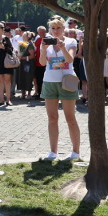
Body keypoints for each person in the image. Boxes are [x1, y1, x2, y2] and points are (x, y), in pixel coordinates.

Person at [39, 16, 81, 161]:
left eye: (59, 28)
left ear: (64, 29)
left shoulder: (71, 41)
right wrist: (44, 50)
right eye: (53, 28)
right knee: (52, 118)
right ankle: (53, 152)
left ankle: (76, 152)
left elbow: (70, 60)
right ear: (49, 29)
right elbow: (42, 61)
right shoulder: (45, 42)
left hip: (67, 81)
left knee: (70, 117)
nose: (56, 31)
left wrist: (62, 47)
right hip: (50, 81)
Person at [17, 31, 36, 99]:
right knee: (21, 77)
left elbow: (32, 56)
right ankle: (23, 93)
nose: (22, 36)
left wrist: (24, 57)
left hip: (28, 63)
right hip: (22, 63)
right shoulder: (22, 44)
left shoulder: (30, 44)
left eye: (24, 35)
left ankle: (29, 94)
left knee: (28, 77)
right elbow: (20, 54)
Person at [32, 25, 47, 100]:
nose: (42, 33)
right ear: (38, 32)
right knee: (39, 79)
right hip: (38, 62)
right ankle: (40, 93)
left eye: (43, 31)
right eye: (40, 32)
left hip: (46, 63)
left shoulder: (48, 39)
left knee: (45, 79)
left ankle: (45, 93)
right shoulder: (37, 40)